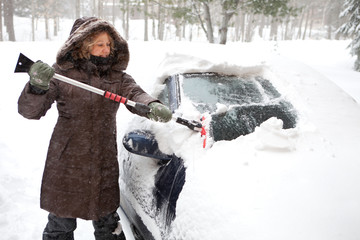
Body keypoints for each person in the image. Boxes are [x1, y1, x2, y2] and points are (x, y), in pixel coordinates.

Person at [17, 17, 172, 240]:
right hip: (66, 163)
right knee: (60, 225)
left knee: (109, 225)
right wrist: (36, 86)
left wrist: (152, 105)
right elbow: (30, 112)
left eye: (109, 44)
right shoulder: (61, 74)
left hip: (103, 163)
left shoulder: (116, 77)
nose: (106, 49)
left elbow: (135, 94)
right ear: (83, 44)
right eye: (100, 44)